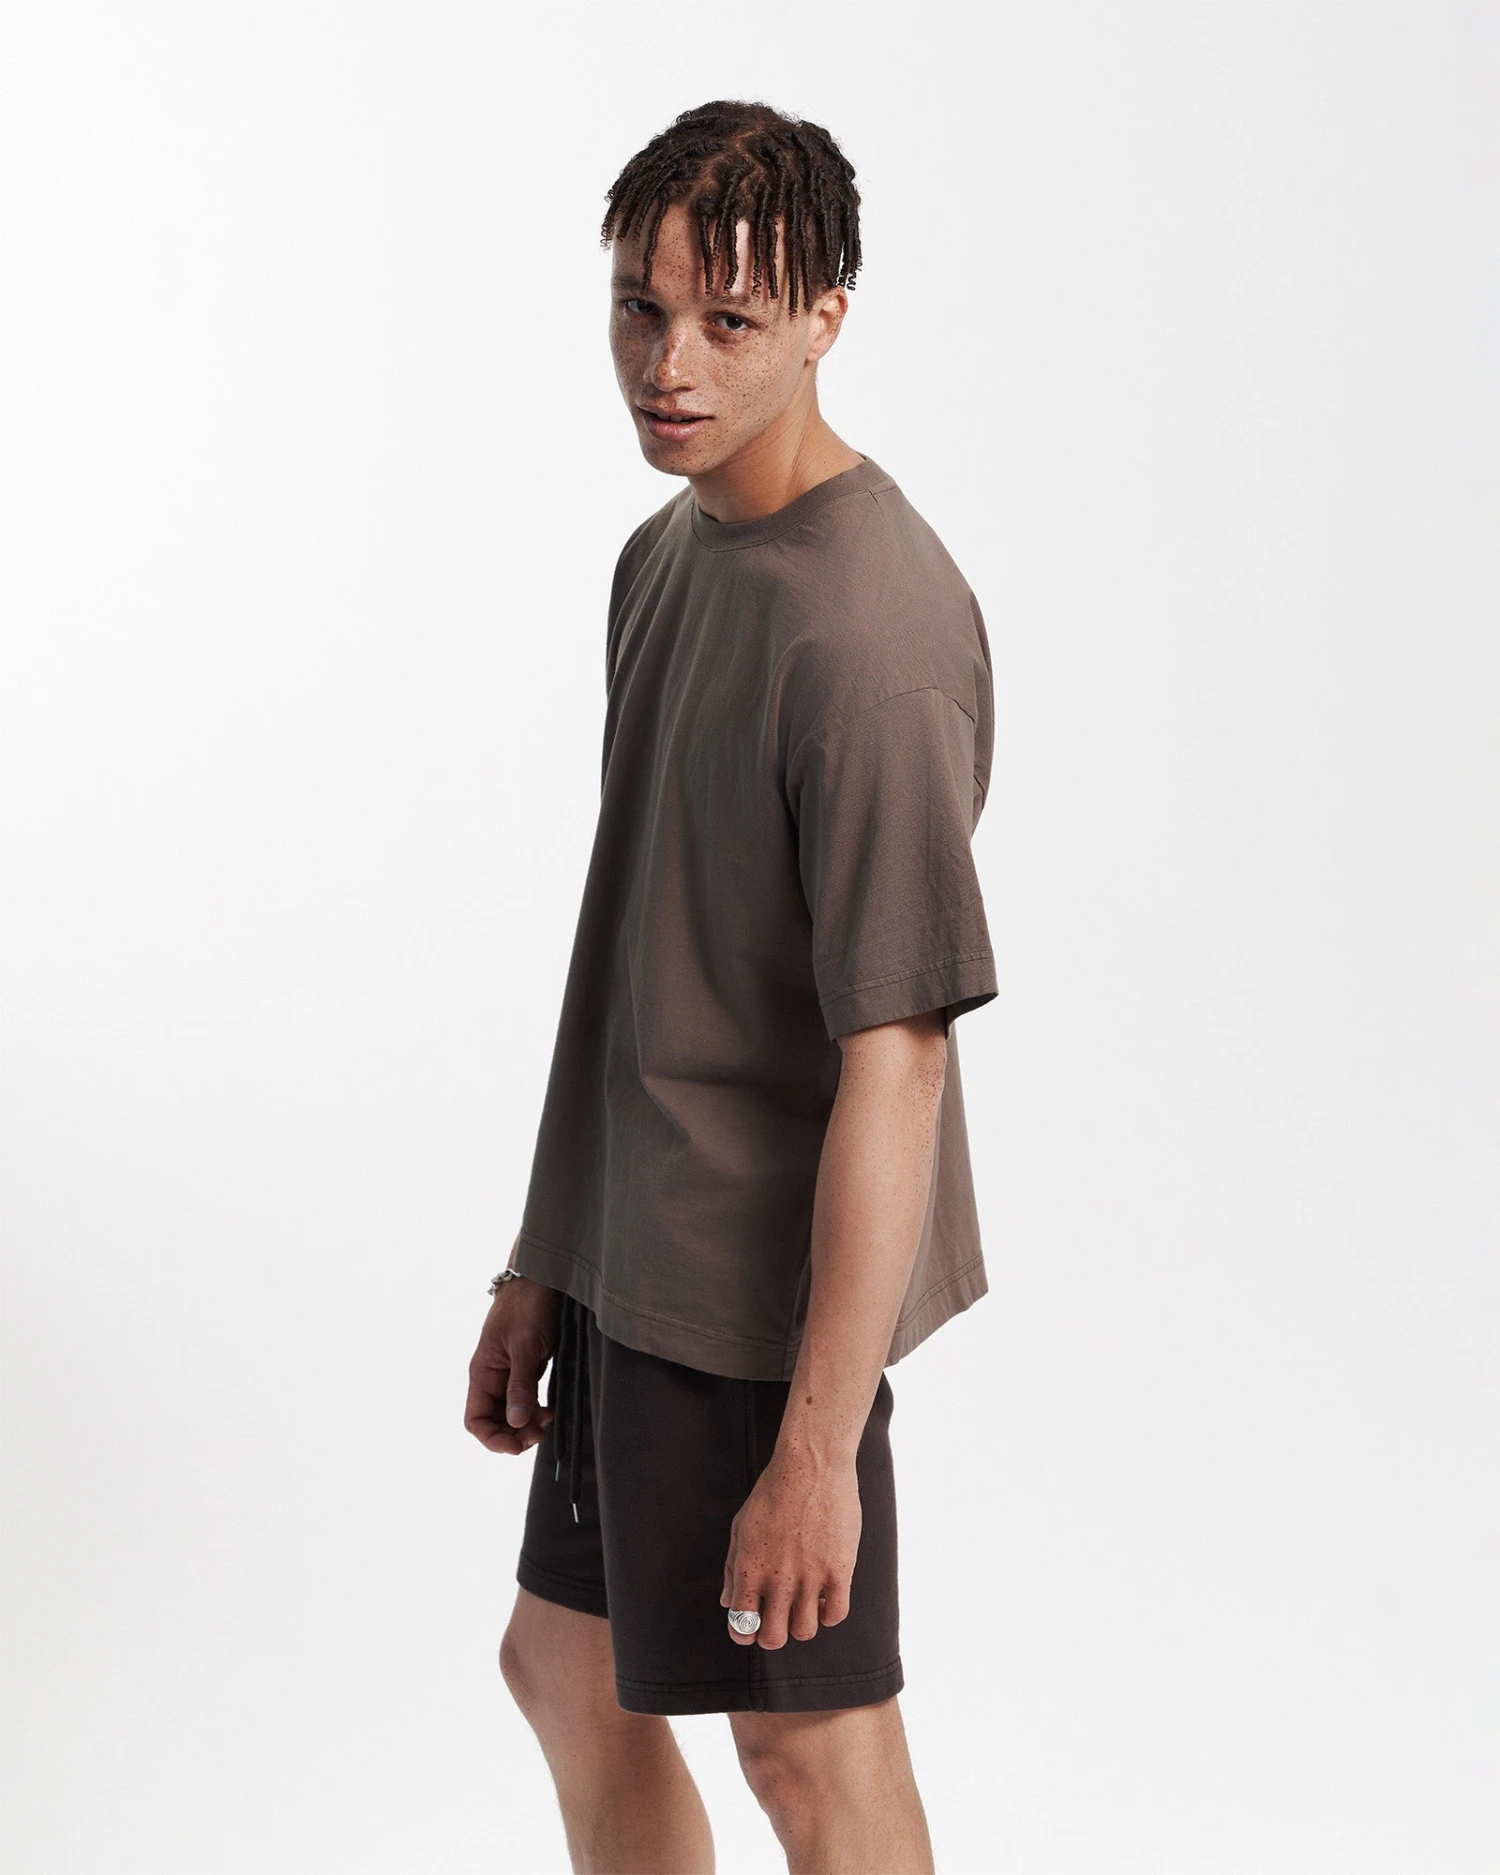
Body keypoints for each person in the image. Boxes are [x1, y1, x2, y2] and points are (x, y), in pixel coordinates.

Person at [464, 99, 998, 1875]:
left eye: (728, 320)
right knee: (565, 1668)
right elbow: (636, 942)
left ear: (828, 315)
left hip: (762, 1317)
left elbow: (900, 1061)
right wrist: (548, 1254)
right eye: (640, 308)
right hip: (632, 1264)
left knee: (810, 1752)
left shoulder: (871, 638)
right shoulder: (668, 558)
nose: (668, 366)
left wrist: (817, 1445)